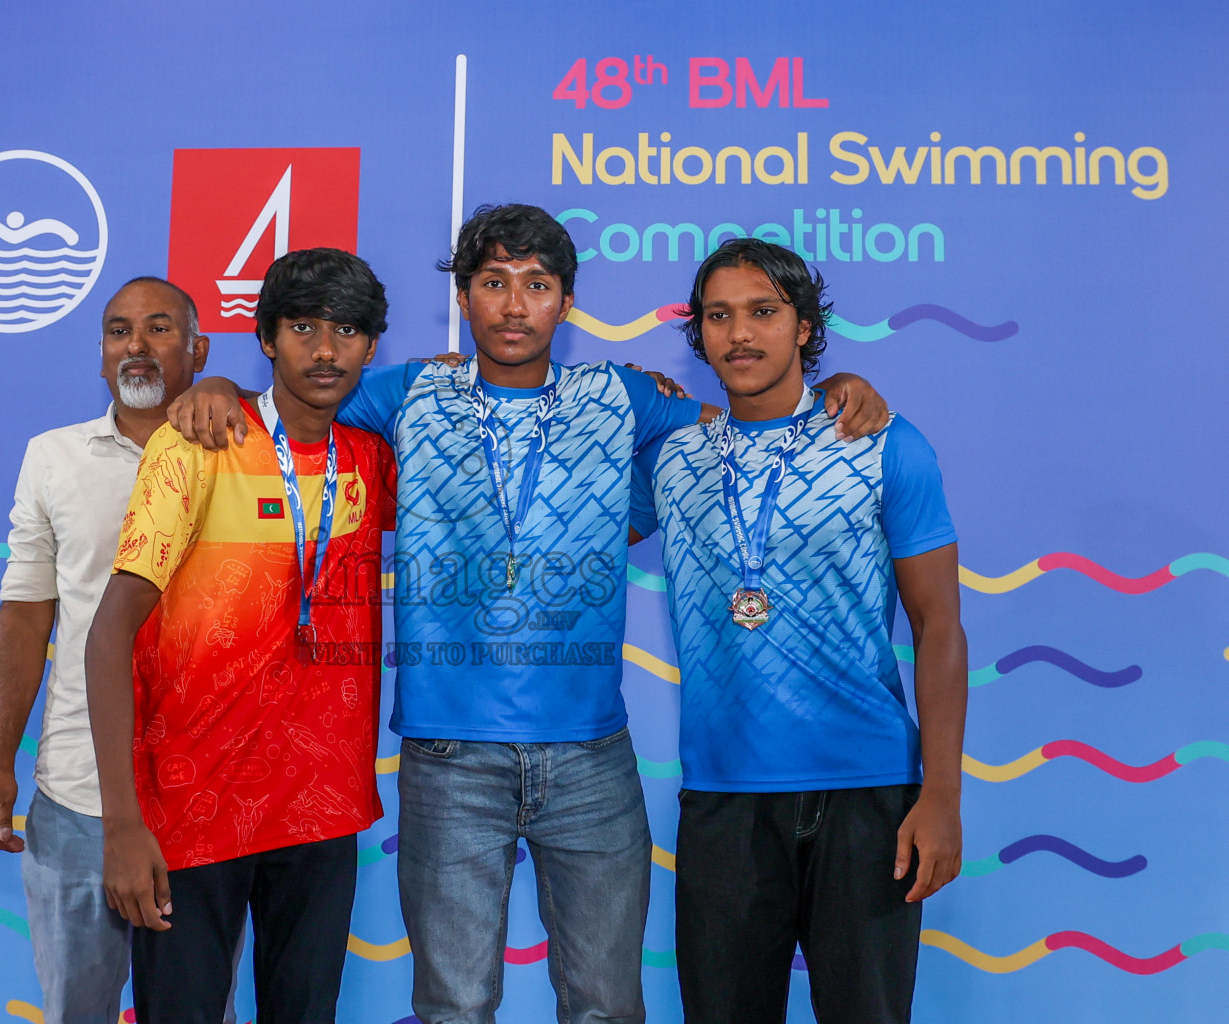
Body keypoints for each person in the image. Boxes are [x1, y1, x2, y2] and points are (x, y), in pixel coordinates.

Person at [167, 205, 889, 1024]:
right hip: (448, 761)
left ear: (566, 302)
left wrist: (837, 388)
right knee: (454, 1006)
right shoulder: (406, 392)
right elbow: (298, 398)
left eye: (537, 286)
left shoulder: (621, 397)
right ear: (465, 300)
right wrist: (219, 383)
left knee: (607, 1007)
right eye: (494, 284)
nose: (515, 306)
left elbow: (751, 421)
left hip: (592, 759)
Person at [629, 238, 967, 1024]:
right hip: (724, 800)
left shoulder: (885, 442)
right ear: (699, 333)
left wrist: (943, 794)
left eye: (763, 312)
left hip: (868, 796)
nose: (740, 334)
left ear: (806, 328)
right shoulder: (672, 458)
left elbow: (939, 624)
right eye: (719, 316)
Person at [84, 248, 396, 1024]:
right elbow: (107, 633)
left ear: (371, 345)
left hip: (322, 809)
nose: (325, 351)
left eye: (348, 331)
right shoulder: (195, 443)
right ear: (264, 338)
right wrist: (123, 823)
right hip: (192, 808)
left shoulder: (373, 458)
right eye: (302, 328)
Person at [0, 277, 210, 1024]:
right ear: (102, 358)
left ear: (198, 351)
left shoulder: (234, 452)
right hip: (75, 795)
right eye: (117, 331)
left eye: (159, 327)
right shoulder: (53, 457)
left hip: (203, 790)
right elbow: (25, 614)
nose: (135, 345)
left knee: (203, 1008)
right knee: (79, 1009)